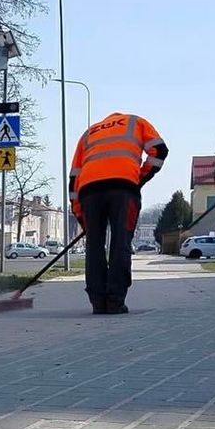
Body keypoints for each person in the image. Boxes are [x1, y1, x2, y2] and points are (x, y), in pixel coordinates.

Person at [68, 112, 167, 315]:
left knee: (94, 246)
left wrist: (80, 214)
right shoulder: (135, 122)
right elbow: (159, 150)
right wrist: (139, 177)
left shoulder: (89, 132)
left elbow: (74, 176)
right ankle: (115, 301)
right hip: (123, 187)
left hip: (89, 190)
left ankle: (98, 302)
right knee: (120, 243)